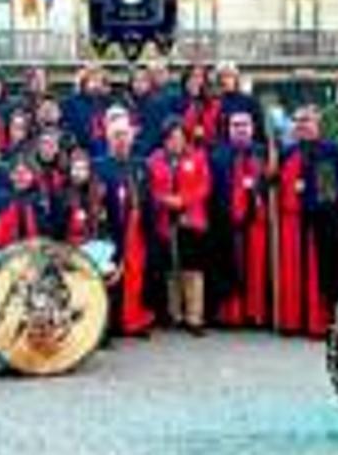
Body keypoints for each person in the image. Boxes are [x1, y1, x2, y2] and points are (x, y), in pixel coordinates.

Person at [277, 105, 338, 338]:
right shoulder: (287, 152)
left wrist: (306, 202)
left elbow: (329, 195)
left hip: (320, 226)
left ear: (318, 124)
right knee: (294, 275)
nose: (302, 125)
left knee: (319, 276)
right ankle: (292, 321)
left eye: (307, 121)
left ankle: (318, 323)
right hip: (293, 227)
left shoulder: (328, 152)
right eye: (298, 121)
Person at [93, 106, 155, 337]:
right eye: (116, 135)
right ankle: (111, 323)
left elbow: (148, 198)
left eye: (125, 135)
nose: (121, 140)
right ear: (109, 138)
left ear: (131, 137)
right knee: (111, 276)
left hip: (136, 230)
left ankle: (133, 319)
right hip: (111, 230)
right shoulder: (99, 165)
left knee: (136, 276)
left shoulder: (141, 165)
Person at [147, 121, 212, 335]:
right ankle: (175, 314)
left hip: (191, 219)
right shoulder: (154, 160)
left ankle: (194, 317)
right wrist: (166, 200)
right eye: (171, 138)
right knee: (171, 269)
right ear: (164, 139)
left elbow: (204, 186)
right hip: (164, 220)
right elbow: (149, 188)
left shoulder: (197, 157)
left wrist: (183, 200)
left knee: (192, 268)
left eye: (180, 137)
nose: (176, 142)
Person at [208, 112, 270, 328]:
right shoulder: (217, 155)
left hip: (256, 223)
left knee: (255, 270)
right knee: (229, 267)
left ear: (252, 127)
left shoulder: (264, 153)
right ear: (229, 129)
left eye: (244, 125)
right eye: (235, 125)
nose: (240, 129)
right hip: (227, 223)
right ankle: (230, 316)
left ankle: (255, 314)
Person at [0, 154, 56, 251]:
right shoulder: (1, 199)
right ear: (10, 175)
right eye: (17, 173)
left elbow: (48, 231)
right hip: (7, 253)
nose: (21, 177)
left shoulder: (41, 200)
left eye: (25, 173)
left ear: (32, 175)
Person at [59, 148, 107, 246]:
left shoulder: (99, 192)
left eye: (82, 169)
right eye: (75, 168)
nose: (78, 173)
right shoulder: (63, 194)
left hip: (94, 246)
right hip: (71, 247)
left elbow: (104, 223)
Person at [62, 64, 113, 157]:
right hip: (80, 149)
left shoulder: (108, 102)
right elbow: (67, 127)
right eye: (93, 80)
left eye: (98, 80)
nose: (96, 84)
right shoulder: (71, 102)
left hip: (103, 149)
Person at [175, 64, 223, 146]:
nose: (195, 81)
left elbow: (219, 131)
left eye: (199, 77)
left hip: (209, 147)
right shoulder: (177, 103)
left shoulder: (214, 104)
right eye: (192, 77)